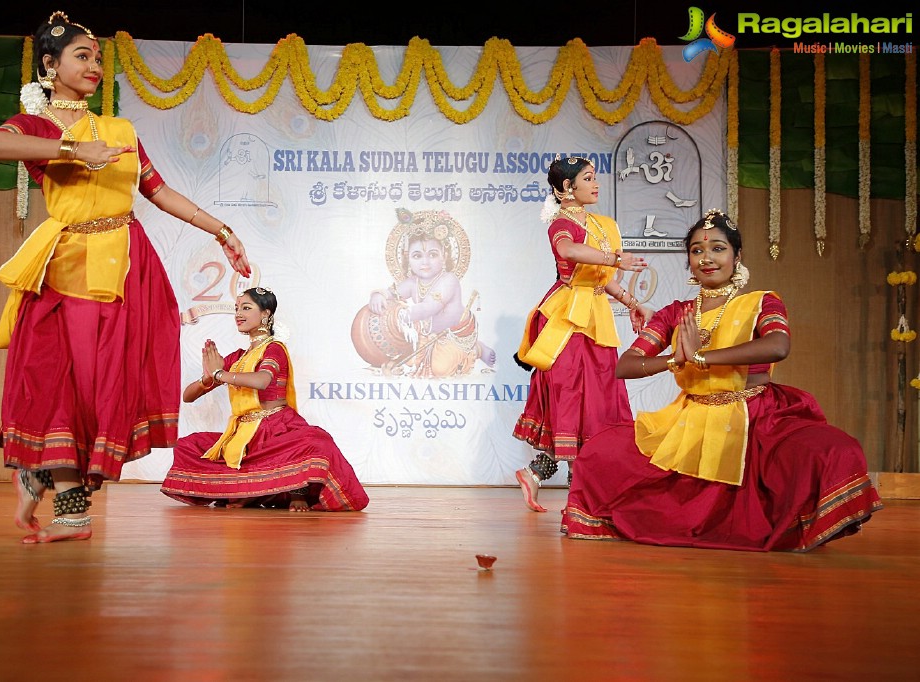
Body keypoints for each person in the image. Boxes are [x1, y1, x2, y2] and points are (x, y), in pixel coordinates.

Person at [0, 11, 252, 543]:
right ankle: (56, 490)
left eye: (98, 58)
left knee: (102, 387)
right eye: (82, 56)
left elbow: (159, 190)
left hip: (126, 268)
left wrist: (222, 230)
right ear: (50, 66)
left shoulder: (119, 131)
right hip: (64, 269)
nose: (94, 66)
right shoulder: (39, 126)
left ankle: (62, 498)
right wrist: (72, 150)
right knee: (60, 382)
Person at [561, 209, 883, 551]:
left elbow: (777, 345)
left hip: (759, 417)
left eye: (718, 248)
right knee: (599, 452)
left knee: (834, 450)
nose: (707, 259)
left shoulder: (761, 302)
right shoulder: (675, 313)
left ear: (737, 256)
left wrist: (702, 357)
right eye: (697, 251)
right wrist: (676, 358)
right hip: (690, 419)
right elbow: (627, 365)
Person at [512, 156, 651, 512]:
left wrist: (634, 302)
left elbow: (604, 282)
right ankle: (581, 493)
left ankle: (543, 475)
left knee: (599, 395)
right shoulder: (561, 223)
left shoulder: (600, 225)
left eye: (594, 177)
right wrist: (616, 259)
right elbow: (568, 251)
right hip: (566, 318)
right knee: (572, 392)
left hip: (595, 318)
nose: (596, 184)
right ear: (565, 189)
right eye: (587, 178)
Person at [161, 288, 370, 512]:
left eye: (246, 307)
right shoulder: (238, 358)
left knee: (315, 441)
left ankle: (294, 492)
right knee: (188, 445)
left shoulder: (274, 348)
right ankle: (247, 492)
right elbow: (188, 396)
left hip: (277, 428)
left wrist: (220, 374)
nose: (238, 314)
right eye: (237, 308)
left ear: (265, 314)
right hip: (242, 434)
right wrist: (207, 377)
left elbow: (262, 381)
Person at [357, 208, 495, 377]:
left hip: (455, 334)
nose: (425, 262)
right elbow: (392, 293)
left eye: (432, 254)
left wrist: (401, 316)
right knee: (408, 365)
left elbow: (430, 307)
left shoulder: (449, 280)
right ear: (408, 258)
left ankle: (475, 349)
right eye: (417, 256)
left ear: (444, 256)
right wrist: (379, 295)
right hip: (428, 334)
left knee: (440, 370)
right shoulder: (412, 282)